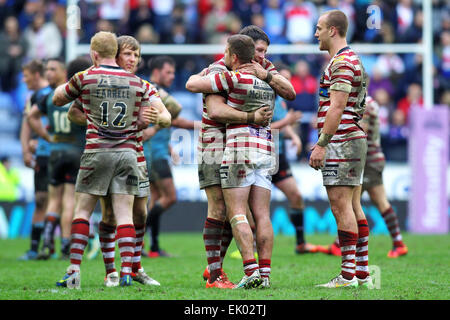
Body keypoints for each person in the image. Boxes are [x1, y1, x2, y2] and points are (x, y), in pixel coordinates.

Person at [53, 31, 157, 289]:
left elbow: (58, 99)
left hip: (98, 152)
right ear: (118, 54)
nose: (133, 58)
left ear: (94, 54)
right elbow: (158, 112)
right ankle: (122, 273)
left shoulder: (86, 77)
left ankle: (75, 270)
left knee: (83, 211)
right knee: (122, 215)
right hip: (128, 154)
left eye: (136, 54)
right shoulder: (138, 84)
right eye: (129, 53)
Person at [193, 25, 295, 289]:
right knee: (220, 208)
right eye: (257, 50)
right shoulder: (220, 69)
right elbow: (214, 110)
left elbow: (289, 92)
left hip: (245, 146)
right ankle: (216, 273)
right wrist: (251, 117)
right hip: (215, 143)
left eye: (264, 52)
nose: (261, 56)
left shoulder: (264, 68)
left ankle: (219, 268)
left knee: (240, 212)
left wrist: (267, 76)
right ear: (242, 48)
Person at [310, 10, 372, 289]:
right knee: (354, 204)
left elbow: (337, 106)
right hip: (352, 137)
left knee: (340, 205)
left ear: (333, 30)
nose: (316, 33)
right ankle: (361, 271)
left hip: (342, 140)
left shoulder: (343, 62)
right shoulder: (349, 59)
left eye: (319, 28)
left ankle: (347, 276)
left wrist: (322, 143)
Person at [317, 95, 408, 259]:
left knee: (363, 203)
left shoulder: (364, 103)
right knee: (353, 203)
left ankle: (397, 244)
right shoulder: (367, 101)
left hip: (367, 159)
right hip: (370, 157)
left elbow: (361, 129)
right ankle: (339, 244)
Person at [27, 58, 87, 260]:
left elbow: (32, 116)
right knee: (69, 200)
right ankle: (65, 244)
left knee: (53, 200)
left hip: (55, 151)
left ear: (63, 72)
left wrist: (45, 136)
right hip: (75, 151)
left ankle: (46, 243)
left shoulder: (51, 95)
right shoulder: (78, 94)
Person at [143, 56, 195, 258]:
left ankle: (153, 247)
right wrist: (203, 125)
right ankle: (134, 236)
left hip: (158, 150)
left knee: (155, 198)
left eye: (174, 72)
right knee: (170, 197)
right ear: (156, 72)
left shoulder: (151, 93)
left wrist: (170, 146)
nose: (173, 76)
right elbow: (175, 113)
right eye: (168, 72)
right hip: (154, 154)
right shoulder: (154, 91)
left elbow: (163, 122)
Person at [270, 63, 319, 254]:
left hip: (278, 156)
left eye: (288, 80)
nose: (287, 84)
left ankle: (300, 243)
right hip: (261, 155)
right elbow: (264, 128)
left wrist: (294, 135)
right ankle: (250, 247)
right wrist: (288, 122)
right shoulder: (262, 98)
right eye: (283, 79)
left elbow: (281, 122)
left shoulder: (281, 102)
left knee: (296, 196)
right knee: (256, 205)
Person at [18, 59, 52, 261]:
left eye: (26, 75)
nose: (24, 79)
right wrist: (25, 150)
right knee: (40, 200)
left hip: (57, 151)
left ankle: (65, 245)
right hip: (42, 155)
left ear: (36, 75)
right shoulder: (32, 98)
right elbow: (26, 124)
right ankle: (34, 248)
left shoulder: (56, 93)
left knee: (64, 201)